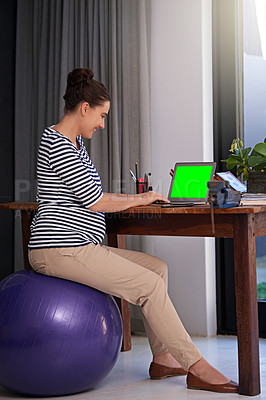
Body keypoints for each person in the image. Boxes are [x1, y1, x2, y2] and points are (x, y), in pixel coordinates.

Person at [28, 67, 238, 394]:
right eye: (101, 115)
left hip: (80, 246)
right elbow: (93, 199)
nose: (101, 124)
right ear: (84, 108)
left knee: (157, 268)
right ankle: (195, 366)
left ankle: (163, 358)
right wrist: (141, 197)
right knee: (149, 285)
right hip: (58, 250)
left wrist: (144, 198)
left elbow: (88, 194)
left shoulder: (76, 146)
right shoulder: (55, 142)